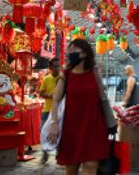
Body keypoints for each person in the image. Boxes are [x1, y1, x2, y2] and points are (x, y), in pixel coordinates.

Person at [47, 39, 109, 175]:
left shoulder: (94, 72)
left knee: (91, 166)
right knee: (71, 169)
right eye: (69, 50)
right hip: (72, 128)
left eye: (74, 50)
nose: (70, 53)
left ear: (85, 53)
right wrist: (54, 123)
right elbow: (56, 100)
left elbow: (103, 97)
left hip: (94, 127)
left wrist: (110, 120)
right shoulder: (66, 74)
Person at [38, 58, 61, 164]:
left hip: (60, 111)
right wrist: (50, 96)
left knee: (61, 132)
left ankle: (59, 154)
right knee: (43, 131)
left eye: (58, 66)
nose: (58, 68)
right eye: (55, 66)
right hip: (47, 110)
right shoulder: (46, 79)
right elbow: (41, 92)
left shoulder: (62, 78)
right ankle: (45, 154)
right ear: (50, 68)